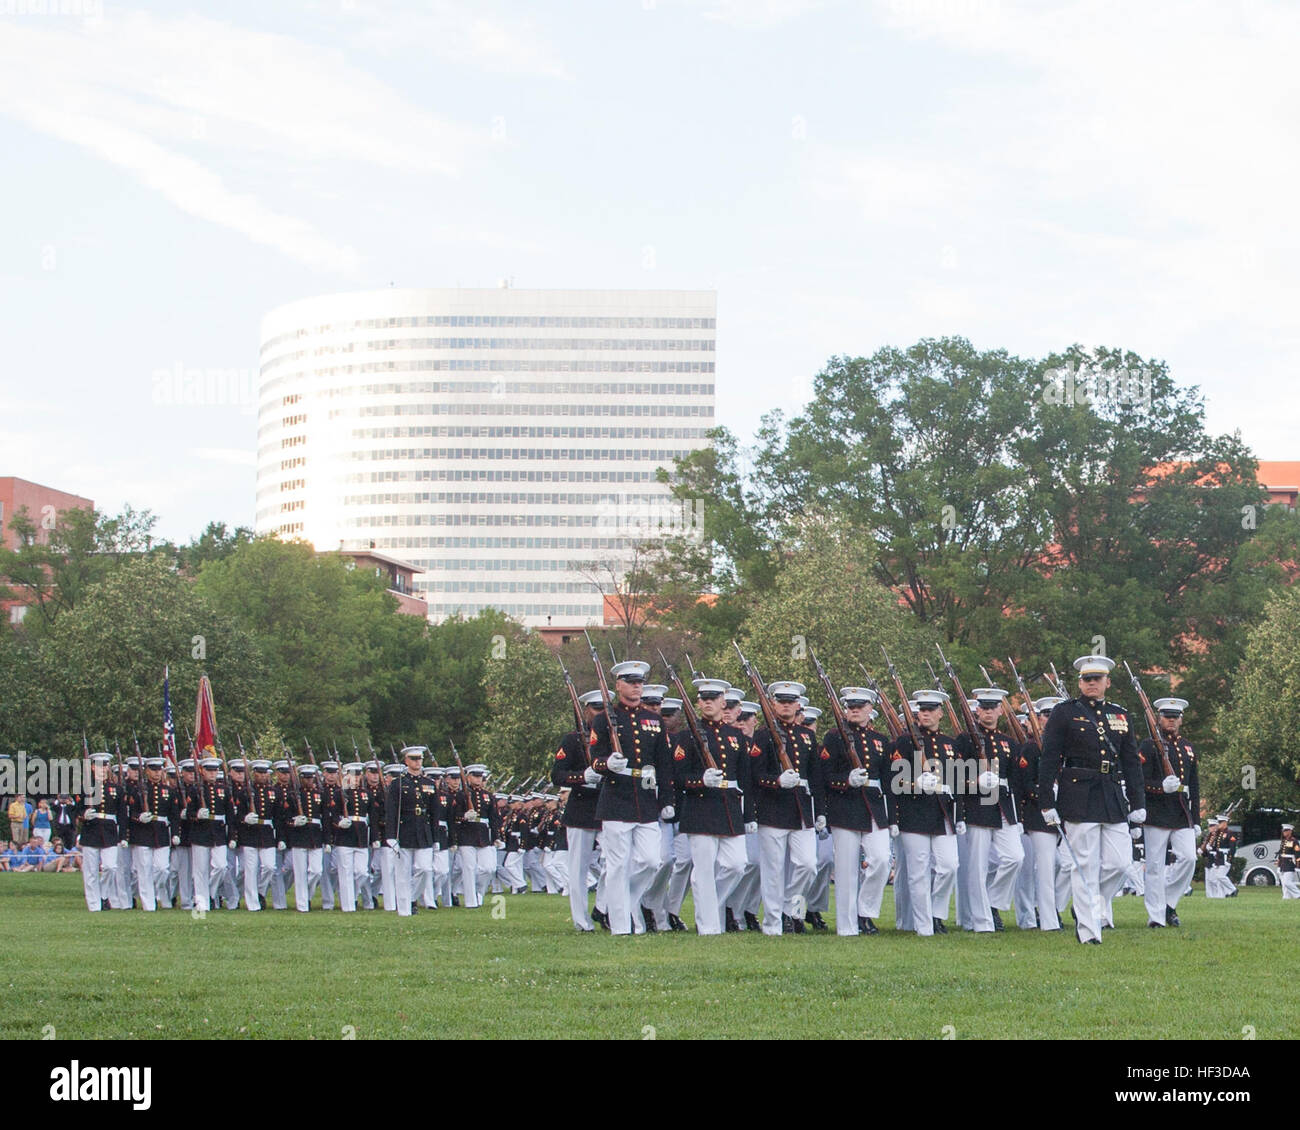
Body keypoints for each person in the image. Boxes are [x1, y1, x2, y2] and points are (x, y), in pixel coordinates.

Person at [1038, 655, 1145, 944]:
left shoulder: (1120, 714)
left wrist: (1138, 803)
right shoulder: (1064, 713)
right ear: (1080, 683)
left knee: (1120, 864)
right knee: (1083, 865)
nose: (1092, 684)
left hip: (1111, 794)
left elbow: (1131, 761)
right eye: (1087, 679)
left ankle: (1088, 901)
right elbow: (1049, 759)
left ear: (1107, 682)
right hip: (1078, 794)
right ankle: (1088, 931)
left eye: (1097, 679)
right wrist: (1046, 801)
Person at [587, 658, 673, 935]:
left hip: (646, 798)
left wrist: (667, 801)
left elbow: (665, 765)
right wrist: (605, 764)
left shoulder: (654, 721)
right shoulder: (603, 720)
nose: (637, 688)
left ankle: (620, 904)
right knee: (617, 865)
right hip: (616, 798)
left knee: (650, 861)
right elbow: (594, 757)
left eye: (640, 683)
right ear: (618, 685)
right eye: (631, 683)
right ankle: (621, 926)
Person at [670, 677, 753, 935]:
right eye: (703, 699)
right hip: (701, 807)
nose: (708, 703)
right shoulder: (687, 736)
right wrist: (699, 780)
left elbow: (745, 779)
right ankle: (708, 926)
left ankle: (710, 905)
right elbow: (678, 777)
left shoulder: (735, 735)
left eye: (713, 699)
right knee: (703, 870)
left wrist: (749, 814)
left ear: (722, 702)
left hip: (729, 807)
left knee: (737, 864)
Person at [817, 687, 895, 936]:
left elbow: (889, 782)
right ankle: (847, 924)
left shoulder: (881, 741)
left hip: (873, 807)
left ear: (870, 709)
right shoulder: (833, 737)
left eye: (859, 706)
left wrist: (892, 817)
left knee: (882, 860)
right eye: (850, 706)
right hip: (845, 807)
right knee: (846, 870)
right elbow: (825, 776)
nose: (854, 710)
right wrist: (846, 780)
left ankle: (866, 913)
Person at [750, 680, 823, 935]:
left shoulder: (807, 736)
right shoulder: (762, 734)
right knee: (772, 871)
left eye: (790, 702)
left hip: (801, 808)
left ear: (798, 705)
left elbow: (816, 777)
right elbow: (755, 774)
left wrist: (821, 811)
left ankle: (791, 910)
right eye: (781, 701)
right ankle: (773, 924)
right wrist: (776, 781)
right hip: (773, 808)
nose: (785, 706)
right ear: (773, 704)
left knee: (808, 865)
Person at [890, 689, 963, 936]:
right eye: (922, 710)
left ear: (940, 713)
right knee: (917, 873)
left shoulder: (949, 744)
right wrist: (915, 783)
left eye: (931, 710)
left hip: (942, 813)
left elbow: (959, 782)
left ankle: (937, 913)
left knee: (949, 865)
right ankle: (924, 925)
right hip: (914, 814)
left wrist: (959, 815)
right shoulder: (904, 742)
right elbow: (894, 782)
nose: (926, 714)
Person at [954, 688, 1024, 932]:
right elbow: (954, 776)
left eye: (993, 707)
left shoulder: (1008, 742)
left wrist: (1020, 816)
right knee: (977, 866)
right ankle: (982, 921)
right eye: (983, 707)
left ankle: (993, 903)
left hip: (1003, 805)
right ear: (976, 710)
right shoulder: (964, 740)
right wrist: (976, 781)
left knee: (1015, 857)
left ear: (1001, 710)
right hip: (978, 806)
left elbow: (1016, 781)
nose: (988, 712)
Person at [1138, 697, 1200, 928]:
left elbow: (1194, 784)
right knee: (1154, 866)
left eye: (1175, 717)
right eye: (1166, 717)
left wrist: (1197, 818)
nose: (1171, 721)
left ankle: (1168, 904)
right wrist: (1160, 787)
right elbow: (1139, 781)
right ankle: (1156, 917)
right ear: (1158, 718)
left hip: (1181, 811)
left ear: (1181, 720)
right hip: (1157, 811)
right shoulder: (1148, 745)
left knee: (1189, 858)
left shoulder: (1187, 746)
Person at [551, 689, 606, 932]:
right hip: (582, 808)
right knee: (578, 868)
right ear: (585, 711)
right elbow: (557, 775)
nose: (599, 714)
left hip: (609, 806)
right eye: (595, 709)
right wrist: (580, 776)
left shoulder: (613, 738)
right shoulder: (572, 740)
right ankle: (581, 920)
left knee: (616, 862)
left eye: (604, 709)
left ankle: (603, 907)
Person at [124, 756, 181, 911]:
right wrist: (138, 817)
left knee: (162, 869)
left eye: (159, 770)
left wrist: (175, 833)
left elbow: (174, 815)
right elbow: (129, 812)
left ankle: (154, 893)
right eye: (153, 770)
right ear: (147, 771)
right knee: (144, 870)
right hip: (142, 833)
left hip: (161, 832)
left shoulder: (168, 791)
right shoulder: (138, 790)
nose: (156, 773)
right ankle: (148, 903)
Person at [232, 758, 281, 911]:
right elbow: (236, 815)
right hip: (249, 833)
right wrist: (244, 818)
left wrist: (280, 838)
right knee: (250, 870)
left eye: (265, 772)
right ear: (253, 773)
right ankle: (252, 903)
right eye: (259, 772)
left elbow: (278, 817)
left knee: (269, 867)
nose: (262, 775)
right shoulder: (245, 792)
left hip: (266, 833)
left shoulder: (273, 792)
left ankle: (260, 891)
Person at [80, 752, 127, 910]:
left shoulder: (116, 789)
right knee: (91, 871)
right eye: (99, 766)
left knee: (110, 867)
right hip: (91, 830)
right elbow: (74, 809)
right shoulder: (84, 787)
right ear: (92, 767)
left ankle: (103, 894)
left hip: (109, 830)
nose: (102, 769)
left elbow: (122, 815)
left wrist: (123, 836)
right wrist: (83, 814)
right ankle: (94, 904)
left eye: (105, 766)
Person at [450, 764, 500, 908]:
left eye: (480, 777)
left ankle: (479, 892)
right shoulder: (460, 795)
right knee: (469, 868)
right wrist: (464, 816)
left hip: (483, 834)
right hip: (466, 833)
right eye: (475, 776)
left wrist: (496, 836)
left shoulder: (488, 796)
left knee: (488, 868)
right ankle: (471, 901)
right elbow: (454, 816)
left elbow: (494, 818)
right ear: (468, 777)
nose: (478, 779)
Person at [1275, 824, 1299, 900]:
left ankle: (1298, 894)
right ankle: (1286, 897)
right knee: (1283, 882)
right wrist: (1278, 863)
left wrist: (1298, 866)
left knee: (1288, 882)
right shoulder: (1284, 841)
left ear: (1290, 831)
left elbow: (1298, 854)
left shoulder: (1294, 841)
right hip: (1282, 863)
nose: (1284, 832)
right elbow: (1281, 853)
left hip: (1290, 863)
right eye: (1283, 831)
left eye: (1285, 831)